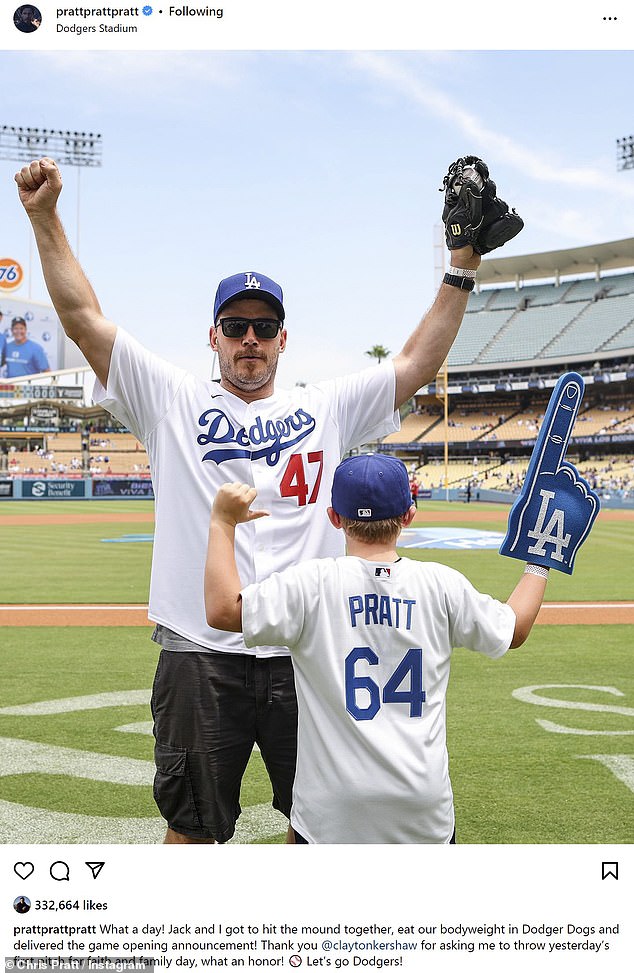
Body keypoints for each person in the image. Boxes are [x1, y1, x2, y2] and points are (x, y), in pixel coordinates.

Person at [15, 156, 489, 846]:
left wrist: (461, 265)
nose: (249, 339)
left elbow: (417, 361)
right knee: (192, 827)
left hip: (306, 651)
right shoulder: (171, 398)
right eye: (234, 326)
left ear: (282, 340)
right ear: (213, 336)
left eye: (264, 328)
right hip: (199, 650)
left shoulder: (324, 404)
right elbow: (83, 318)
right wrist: (45, 216)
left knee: (323, 826)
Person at [204, 454, 547, 843]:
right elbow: (514, 629)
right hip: (421, 799)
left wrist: (223, 522)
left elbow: (222, 610)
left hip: (332, 805)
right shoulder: (441, 584)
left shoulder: (312, 582)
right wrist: (540, 560)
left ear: (334, 517)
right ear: (409, 516)